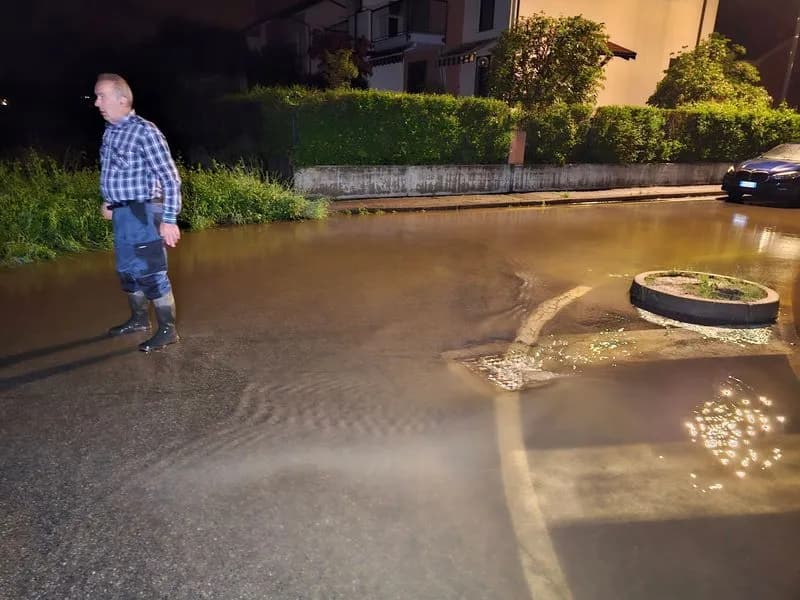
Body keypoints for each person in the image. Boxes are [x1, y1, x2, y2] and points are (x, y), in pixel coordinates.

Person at [94, 73, 182, 352]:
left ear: (122, 100)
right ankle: (139, 320)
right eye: (96, 96)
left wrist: (169, 219)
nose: (97, 102)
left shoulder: (146, 131)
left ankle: (167, 330)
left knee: (151, 272)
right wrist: (110, 201)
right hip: (123, 214)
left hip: (145, 212)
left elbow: (170, 179)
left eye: (101, 96)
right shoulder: (110, 130)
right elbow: (115, 172)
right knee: (128, 271)